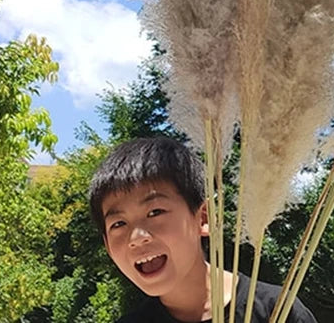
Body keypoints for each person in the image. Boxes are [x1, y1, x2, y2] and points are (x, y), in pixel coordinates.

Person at [89, 137, 318, 323]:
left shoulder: (277, 311)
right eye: (118, 224)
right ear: (108, 246)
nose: (137, 238)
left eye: (155, 212)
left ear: (204, 218)